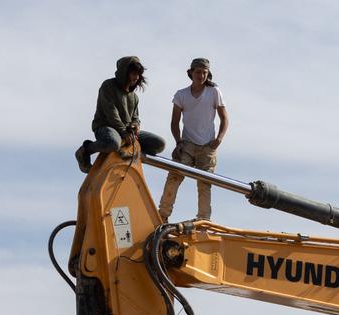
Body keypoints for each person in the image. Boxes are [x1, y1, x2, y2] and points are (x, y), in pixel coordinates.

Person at [156, 58, 228, 223]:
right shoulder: (181, 95)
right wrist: (178, 142)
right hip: (187, 143)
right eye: (198, 72)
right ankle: (162, 215)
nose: (201, 75)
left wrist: (218, 139)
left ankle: (203, 220)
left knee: (205, 183)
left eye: (204, 72)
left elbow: (224, 118)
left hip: (207, 145)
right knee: (175, 176)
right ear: (191, 73)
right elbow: (174, 122)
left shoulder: (214, 91)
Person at [75, 56, 166, 173]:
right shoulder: (108, 86)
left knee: (159, 144)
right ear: (125, 73)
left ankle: (127, 153)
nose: (136, 77)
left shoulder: (134, 97)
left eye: (138, 74)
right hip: (106, 127)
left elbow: (135, 117)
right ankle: (85, 150)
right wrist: (123, 131)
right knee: (113, 143)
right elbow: (111, 112)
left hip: (126, 132)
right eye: (134, 74)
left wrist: (135, 125)